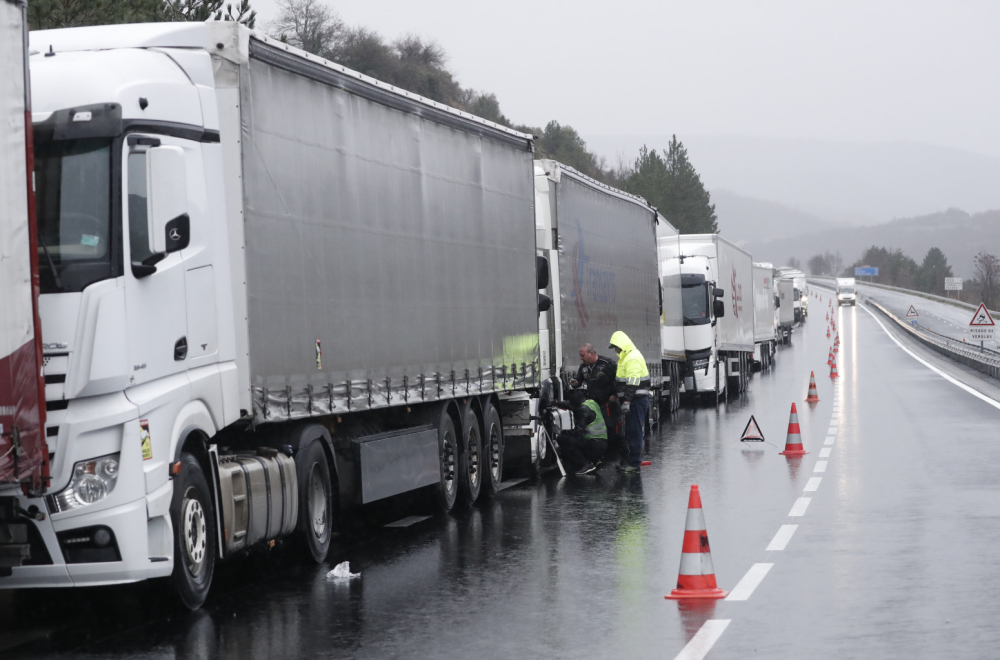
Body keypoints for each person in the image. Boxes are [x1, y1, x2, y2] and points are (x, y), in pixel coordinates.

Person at [570, 344, 625, 464]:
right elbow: (579, 380)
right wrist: (575, 383)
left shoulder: (607, 363)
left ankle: (619, 455)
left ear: (591, 353)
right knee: (597, 430)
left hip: (608, 402)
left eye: (582, 355)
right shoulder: (583, 367)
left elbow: (620, 379)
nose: (581, 358)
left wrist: (615, 395)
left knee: (612, 427)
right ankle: (600, 455)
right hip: (594, 403)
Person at [608, 331, 650, 474]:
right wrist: (616, 395)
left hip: (636, 401)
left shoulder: (632, 358)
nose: (615, 350)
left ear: (622, 345)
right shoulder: (626, 358)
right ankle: (632, 462)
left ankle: (634, 464)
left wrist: (626, 400)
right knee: (631, 432)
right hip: (634, 400)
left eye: (616, 347)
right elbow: (621, 381)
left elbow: (632, 383)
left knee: (634, 432)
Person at [555, 389, 608, 475]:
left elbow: (577, 432)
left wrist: (563, 432)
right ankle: (594, 460)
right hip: (602, 444)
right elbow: (569, 405)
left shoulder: (582, 411)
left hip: (593, 445)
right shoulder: (591, 403)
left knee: (563, 439)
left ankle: (584, 464)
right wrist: (556, 403)